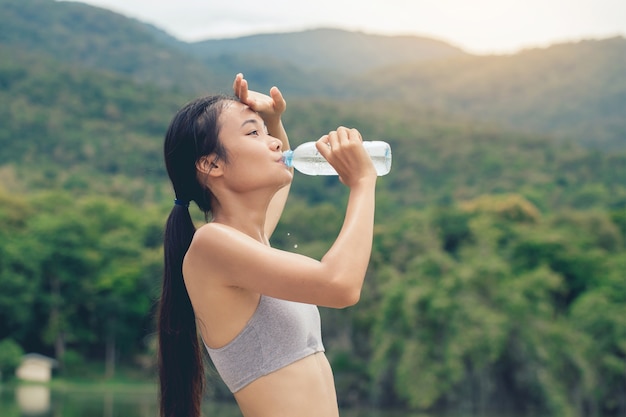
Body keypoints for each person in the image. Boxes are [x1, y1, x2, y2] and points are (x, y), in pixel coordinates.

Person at [158, 73, 378, 417]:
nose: (274, 143)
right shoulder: (212, 244)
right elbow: (341, 286)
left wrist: (271, 121)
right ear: (211, 164)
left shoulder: (250, 244)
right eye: (252, 133)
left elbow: (282, 159)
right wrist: (363, 183)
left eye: (266, 133)